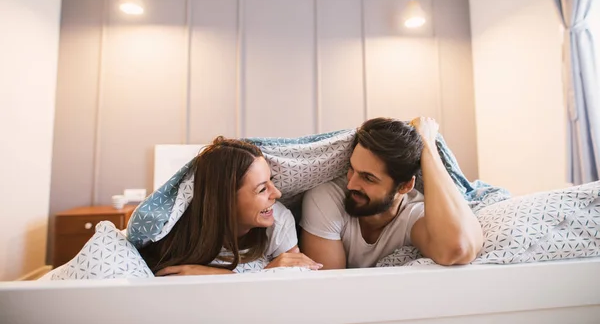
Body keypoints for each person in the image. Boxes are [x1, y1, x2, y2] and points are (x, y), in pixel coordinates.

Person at [300, 117, 483, 269]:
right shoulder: (326, 197)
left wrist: (428, 146)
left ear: (405, 186)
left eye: (368, 178)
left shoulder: (414, 213)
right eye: (352, 169)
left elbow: (457, 249)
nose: (351, 184)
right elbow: (328, 286)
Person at [139, 137, 322, 275]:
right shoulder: (174, 232)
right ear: (226, 199)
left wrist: (221, 275)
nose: (277, 194)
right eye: (262, 189)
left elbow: (295, 280)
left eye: (271, 182)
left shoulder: (279, 221)